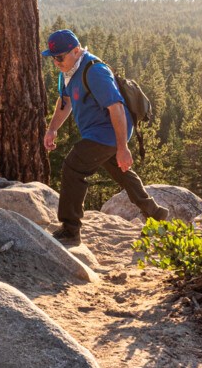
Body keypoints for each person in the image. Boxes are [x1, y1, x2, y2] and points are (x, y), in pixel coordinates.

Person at [42, 29, 168, 246]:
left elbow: (117, 108)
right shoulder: (68, 72)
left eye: (60, 57)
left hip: (108, 132)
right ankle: (154, 212)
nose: (56, 62)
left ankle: (71, 230)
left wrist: (122, 147)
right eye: (53, 58)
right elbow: (64, 102)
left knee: (73, 167)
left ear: (76, 51)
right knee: (122, 173)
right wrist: (52, 129)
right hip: (98, 133)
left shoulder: (95, 71)